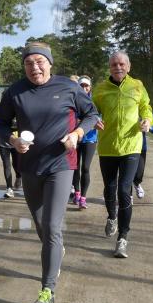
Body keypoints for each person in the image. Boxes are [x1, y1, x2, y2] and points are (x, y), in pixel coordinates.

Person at [0, 42, 99, 303]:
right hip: (29, 167)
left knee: (52, 227)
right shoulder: (15, 91)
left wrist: (77, 134)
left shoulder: (68, 87)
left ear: (50, 63)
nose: (34, 67)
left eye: (40, 62)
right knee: (42, 226)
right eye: (28, 63)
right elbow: (1, 123)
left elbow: (91, 114)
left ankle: (47, 292)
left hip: (61, 165)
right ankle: (56, 250)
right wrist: (13, 140)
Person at [92, 51, 153, 258]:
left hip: (131, 146)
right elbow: (90, 110)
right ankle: (112, 217)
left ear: (128, 66)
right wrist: (94, 119)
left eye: (121, 64)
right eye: (113, 65)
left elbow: (146, 107)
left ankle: (122, 238)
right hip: (108, 146)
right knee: (109, 188)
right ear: (109, 68)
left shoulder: (137, 86)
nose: (117, 67)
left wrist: (147, 120)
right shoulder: (101, 89)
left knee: (124, 189)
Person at [71, 76, 97, 209]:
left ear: (90, 87)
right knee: (75, 167)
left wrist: (93, 122)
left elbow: (97, 118)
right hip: (75, 138)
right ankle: (76, 192)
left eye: (86, 86)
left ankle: (83, 197)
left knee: (85, 167)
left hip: (90, 139)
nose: (84, 88)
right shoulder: (72, 99)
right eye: (81, 86)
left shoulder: (94, 101)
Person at [133, 116, 153, 199]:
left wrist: (149, 127)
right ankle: (128, 196)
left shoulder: (144, 110)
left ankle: (137, 184)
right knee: (127, 174)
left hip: (141, 146)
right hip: (125, 146)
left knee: (139, 173)